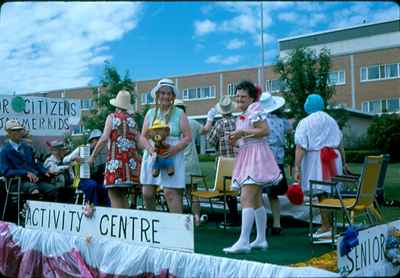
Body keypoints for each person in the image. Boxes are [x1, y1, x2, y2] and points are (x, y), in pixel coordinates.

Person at [223, 81, 282, 254]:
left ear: (251, 98)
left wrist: (242, 133)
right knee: (255, 200)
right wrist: (235, 140)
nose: (239, 99)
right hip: (248, 155)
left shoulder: (256, 109)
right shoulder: (243, 114)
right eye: (237, 96)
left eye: (243, 97)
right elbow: (246, 138)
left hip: (256, 157)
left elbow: (265, 131)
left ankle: (244, 241)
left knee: (246, 198)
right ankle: (261, 239)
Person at [294, 93, 350, 239]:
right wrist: (344, 162)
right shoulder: (331, 120)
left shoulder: (305, 122)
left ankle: (326, 226)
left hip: (316, 159)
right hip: (333, 157)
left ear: (309, 105)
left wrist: (297, 167)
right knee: (329, 191)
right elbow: (340, 144)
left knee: (320, 192)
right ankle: (328, 224)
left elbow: (301, 146)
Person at [140, 78, 192, 214]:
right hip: (153, 153)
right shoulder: (150, 113)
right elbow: (143, 137)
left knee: (170, 193)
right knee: (147, 193)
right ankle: (153, 222)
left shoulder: (180, 114)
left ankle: (177, 228)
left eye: (169, 94)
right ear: (157, 95)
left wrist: (174, 149)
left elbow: (188, 137)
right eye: (162, 93)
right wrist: (151, 151)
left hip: (172, 155)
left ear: (173, 96)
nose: (165, 96)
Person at [89, 90, 142, 209]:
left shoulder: (112, 117)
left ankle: (118, 224)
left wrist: (93, 156)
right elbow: (138, 143)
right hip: (129, 165)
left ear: (117, 105)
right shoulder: (132, 121)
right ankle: (126, 223)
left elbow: (103, 138)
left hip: (115, 163)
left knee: (113, 194)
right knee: (122, 196)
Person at [174, 99, 213, 225]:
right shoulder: (192, 123)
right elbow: (206, 130)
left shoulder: (171, 125)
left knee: (177, 194)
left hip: (177, 164)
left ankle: (178, 221)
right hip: (192, 164)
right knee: (193, 193)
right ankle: (196, 219)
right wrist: (210, 117)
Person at [0, 120, 58, 200]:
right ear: (8, 133)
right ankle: (26, 211)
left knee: (52, 189)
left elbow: (35, 163)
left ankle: (44, 211)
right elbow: (6, 171)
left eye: (19, 130)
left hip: (33, 181)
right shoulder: (4, 151)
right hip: (16, 182)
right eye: (15, 130)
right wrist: (25, 173)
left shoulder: (27, 148)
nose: (18, 132)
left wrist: (45, 171)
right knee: (34, 190)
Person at [260, 92, 291, 236]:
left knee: (258, 193)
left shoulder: (260, 120)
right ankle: (277, 223)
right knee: (274, 194)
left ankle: (262, 223)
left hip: (263, 159)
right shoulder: (282, 121)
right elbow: (290, 130)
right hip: (278, 160)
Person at [206, 95, 241, 227]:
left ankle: (233, 217)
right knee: (238, 189)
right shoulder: (238, 121)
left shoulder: (220, 124)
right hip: (239, 159)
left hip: (225, 161)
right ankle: (238, 216)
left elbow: (210, 141)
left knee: (227, 190)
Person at [63, 129, 110, 207]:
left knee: (106, 186)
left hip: (97, 179)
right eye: (97, 140)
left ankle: (108, 209)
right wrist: (74, 158)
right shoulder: (82, 149)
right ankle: (94, 207)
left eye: (100, 140)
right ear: (92, 141)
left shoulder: (103, 150)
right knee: (92, 185)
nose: (99, 142)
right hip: (82, 180)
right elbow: (65, 160)